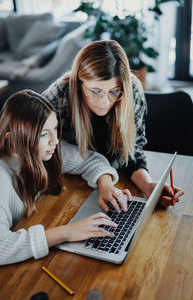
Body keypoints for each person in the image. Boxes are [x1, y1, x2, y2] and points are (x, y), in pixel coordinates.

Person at [0, 90, 128, 267]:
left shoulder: (44, 150)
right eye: (43, 134)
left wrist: (106, 184)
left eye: (55, 129)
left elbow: (90, 160)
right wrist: (66, 233)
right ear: (12, 139)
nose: (55, 141)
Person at [42, 40, 184, 208]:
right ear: (79, 83)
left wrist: (149, 186)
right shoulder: (59, 95)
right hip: (65, 181)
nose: (104, 102)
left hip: (114, 176)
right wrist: (104, 179)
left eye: (113, 92)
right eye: (96, 92)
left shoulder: (131, 92)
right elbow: (35, 143)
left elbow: (131, 153)